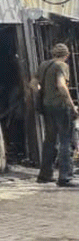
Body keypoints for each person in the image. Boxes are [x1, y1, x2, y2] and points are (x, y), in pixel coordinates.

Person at [34, 43, 77, 187]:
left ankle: (45, 175)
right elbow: (61, 86)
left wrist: (44, 93)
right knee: (66, 141)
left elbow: (33, 84)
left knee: (50, 140)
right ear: (67, 55)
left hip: (47, 107)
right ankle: (64, 177)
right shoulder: (62, 66)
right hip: (60, 107)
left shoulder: (43, 65)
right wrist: (72, 106)